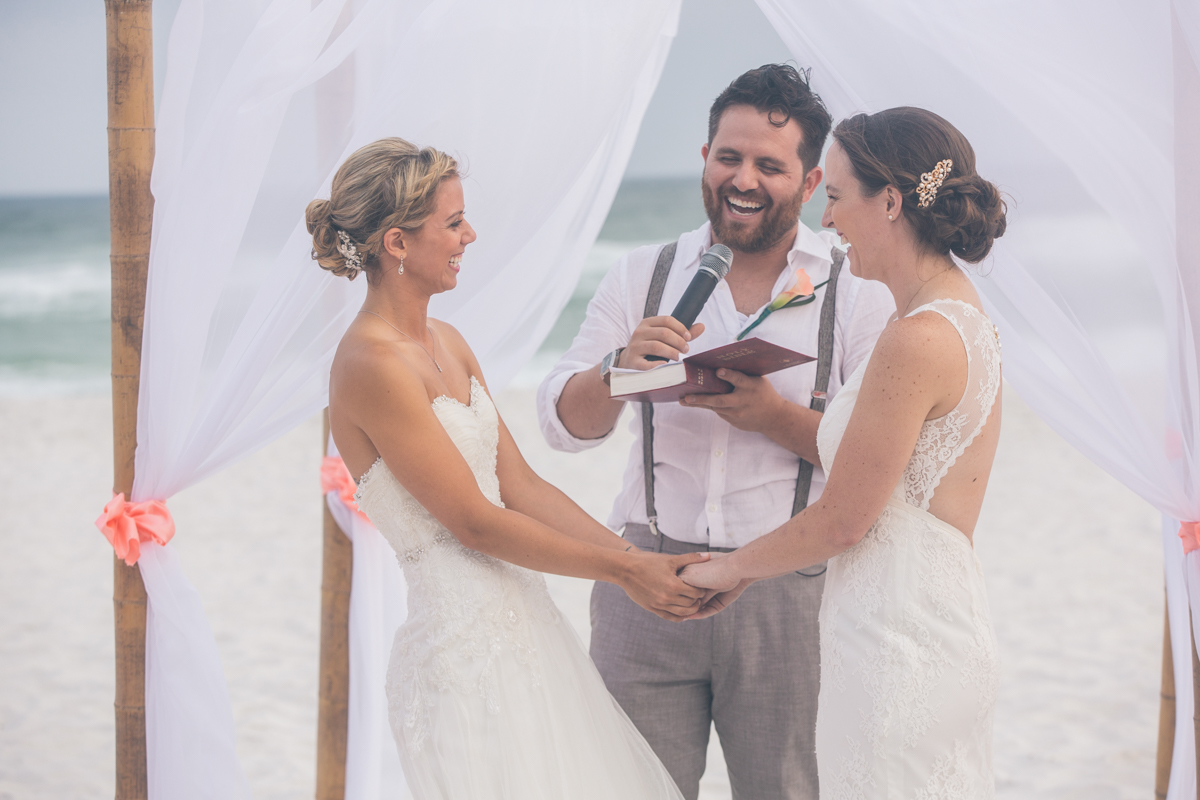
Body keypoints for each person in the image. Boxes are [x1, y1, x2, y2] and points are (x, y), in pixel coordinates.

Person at [537, 65, 895, 800]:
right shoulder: (643, 272)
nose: (744, 178)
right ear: (704, 158)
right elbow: (562, 428)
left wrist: (771, 416)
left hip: (791, 590)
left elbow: (874, 462)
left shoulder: (855, 291)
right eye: (729, 157)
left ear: (808, 181)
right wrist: (614, 369)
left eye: (770, 165)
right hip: (646, 582)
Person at [312, 137, 708, 799]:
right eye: (453, 222)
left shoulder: (449, 342)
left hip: (531, 633)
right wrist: (623, 571)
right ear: (397, 244)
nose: (471, 234)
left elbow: (518, 486)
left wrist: (636, 563)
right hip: (465, 665)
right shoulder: (369, 364)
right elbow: (475, 523)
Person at [680, 106, 1007, 798]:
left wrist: (732, 568)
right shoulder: (956, 313)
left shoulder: (915, 338)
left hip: (898, 639)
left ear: (890, 201)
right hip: (930, 615)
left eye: (833, 196)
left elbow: (843, 520)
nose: (826, 220)